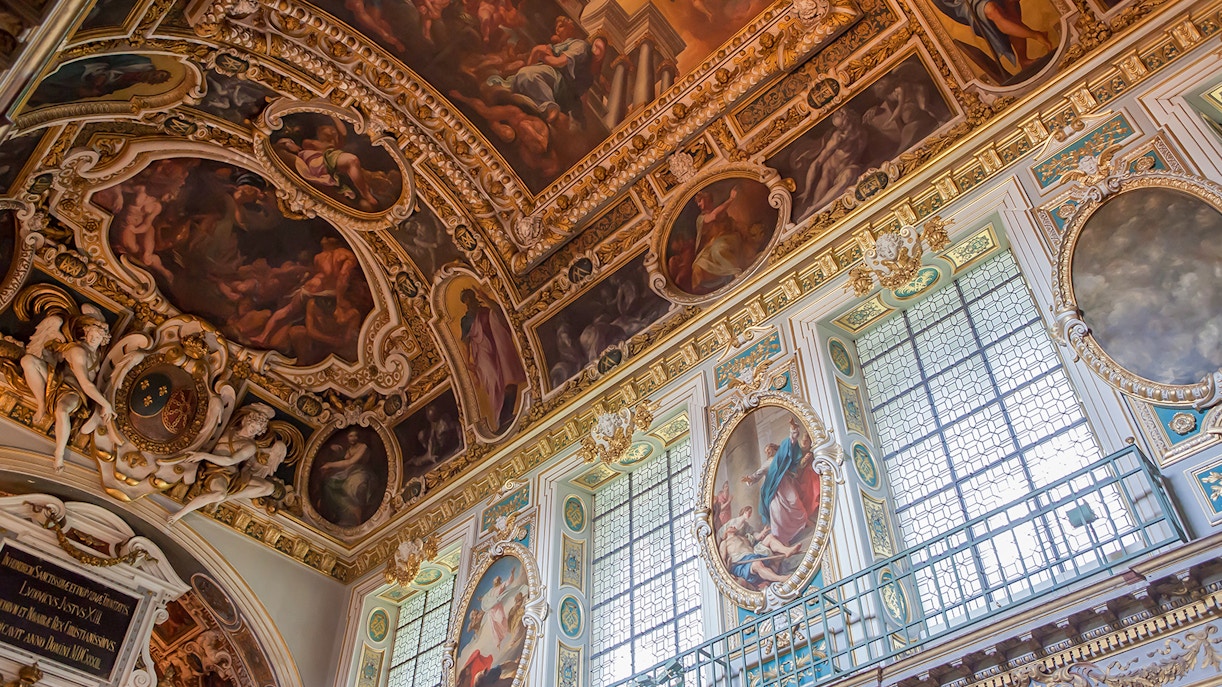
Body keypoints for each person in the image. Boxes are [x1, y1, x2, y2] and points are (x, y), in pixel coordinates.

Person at [19, 308, 114, 471]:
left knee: (62, 410)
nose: (93, 338)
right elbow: (86, 384)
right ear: (85, 332)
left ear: (103, 339)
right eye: (91, 333)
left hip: (73, 393)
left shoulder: (98, 356)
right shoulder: (78, 351)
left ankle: (58, 453)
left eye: (98, 337)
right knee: (28, 360)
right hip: (60, 383)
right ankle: (42, 405)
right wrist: (106, 404)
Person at [166, 404, 286, 524]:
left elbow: (230, 460)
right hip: (211, 467)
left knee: (268, 488)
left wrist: (203, 455)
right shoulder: (230, 429)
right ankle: (220, 497)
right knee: (220, 493)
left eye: (257, 430)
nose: (253, 431)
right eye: (253, 426)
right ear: (247, 421)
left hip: (226, 473)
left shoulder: (250, 446)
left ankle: (179, 514)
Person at [274, 117, 381, 211]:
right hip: (321, 163)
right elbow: (283, 147)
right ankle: (366, 194)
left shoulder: (332, 146)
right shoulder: (309, 144)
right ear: (320, 132)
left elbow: (342, 133)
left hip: (327, 164)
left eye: (333, 131)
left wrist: (334, 116)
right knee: (352, 160)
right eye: (328, 129)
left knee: (352, 162)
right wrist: (288, 145)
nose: (332, 132)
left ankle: (364, 194)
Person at [459, 288, 527, 431]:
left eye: (470, 297)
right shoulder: (466, 320)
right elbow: (465, 342)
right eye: (466, 299)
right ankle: (499, 418)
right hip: (482, 355)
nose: (469, 301)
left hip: (497, 348)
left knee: (508, 380)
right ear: (464, 302)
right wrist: (467, 361)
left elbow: (501, 314)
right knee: (494, 382)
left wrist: (486, 298)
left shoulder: (485, 310)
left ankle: (506, 414)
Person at [931, 0, 1054, 72]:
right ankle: (1037, 35)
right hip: (965, 3)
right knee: (993, 11)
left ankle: (1023, 58)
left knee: (1010, 4)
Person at [742, 419, 809, 545]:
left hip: (785, 484)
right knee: (776, 511)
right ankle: (782, 539)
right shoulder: (766, 463)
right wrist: (750, 479)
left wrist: (793, 428)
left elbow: (791, 442)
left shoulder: (781, 456)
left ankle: (801, 526)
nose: (767, 452)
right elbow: (758, 474)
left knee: (794, 502)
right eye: (766, 451)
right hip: (773, 491)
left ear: (774, 448)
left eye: (769, 449)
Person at [316, 429, 376, 528]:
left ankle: (355, 513)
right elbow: (344, 462)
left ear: (358, 437)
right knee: (328, 483)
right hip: (348, 472)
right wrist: (336, 450)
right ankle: (344, 513)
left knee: (353, 486)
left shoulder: (363, 447)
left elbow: (350, 462)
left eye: (355, 436)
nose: (353, 438)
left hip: (361, 471)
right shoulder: (349, 450)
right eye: (350, 436)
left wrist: (330, 464)